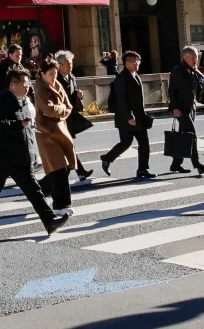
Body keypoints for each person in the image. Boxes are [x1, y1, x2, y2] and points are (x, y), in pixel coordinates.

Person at [0, 67, 64, 236]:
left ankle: (49, 221)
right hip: (3, 156)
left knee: (34, 190)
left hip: (21, 156)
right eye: (24, 83)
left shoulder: (23, 100)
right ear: (12, 84)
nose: (27, 86)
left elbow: (25, 128)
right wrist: (18, 125)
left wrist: (31, 146)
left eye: (28, 83)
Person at [33, 59, 78, 211]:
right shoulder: (40, 87)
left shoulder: (57, 84)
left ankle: (42, 188)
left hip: (61, 130)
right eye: (51, 74)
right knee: (59, 168)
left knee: (65, 167)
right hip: (47, 133)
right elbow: (48, 109)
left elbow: (69, 105)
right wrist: (63, 109)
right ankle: (61, 205)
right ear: (42, 74)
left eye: (56, 73)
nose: (54, 76)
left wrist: (62, 110)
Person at [102, 50, 154, 178]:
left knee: (143, 143)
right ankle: (107, 158)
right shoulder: (122, 78)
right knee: (126, 142)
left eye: (138, 61)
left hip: (139, 117)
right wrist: (129, 116)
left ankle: (142, 169)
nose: (136, 63)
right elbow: (121, 99)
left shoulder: (135, 75)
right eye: (133, 61)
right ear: (126, 63)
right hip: (126, 117)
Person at [166, 45, 204, 175]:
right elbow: (172, 91)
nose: (195, 59)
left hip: (191, 107)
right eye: (193, 57)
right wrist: (175, 108)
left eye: (196, 57)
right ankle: (198, 164)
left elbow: (197, 89)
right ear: (185, 57)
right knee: (192, 136)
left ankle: (176, 164)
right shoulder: (178, 70)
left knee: (184, 136)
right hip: (181, 109)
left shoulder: (193, 70)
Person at [57, 52, 96, 181]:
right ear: (60, 65)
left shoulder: (72, 77)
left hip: (71, 116)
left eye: (71, 63)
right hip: (61, 117)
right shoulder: (55, 78)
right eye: (68, 63)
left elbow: (74, 95)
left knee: (68, 147)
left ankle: (77, 172)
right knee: (68, 146)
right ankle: (78, 172)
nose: (71, 66)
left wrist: (80, 95)